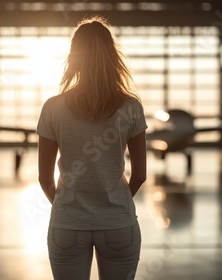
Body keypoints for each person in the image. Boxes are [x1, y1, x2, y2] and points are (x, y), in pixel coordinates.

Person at [36, 15, 147, 280]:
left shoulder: (53, 108)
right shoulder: (131, 107)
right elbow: (140, 174)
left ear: (74, 56)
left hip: (67, 225)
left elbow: (43, 176)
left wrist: (65, 204)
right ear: (112, 55)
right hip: (118, 225)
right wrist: (114, 204)